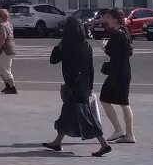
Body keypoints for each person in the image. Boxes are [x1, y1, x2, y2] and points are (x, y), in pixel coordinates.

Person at [43, 17, 112, 157]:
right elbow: (90, 68)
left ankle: (104, 144)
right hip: (83, 84)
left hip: (74, 86)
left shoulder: (67, 45)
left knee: (85, 116)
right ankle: (57, 142)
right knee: (67, 114)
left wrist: (58, 45)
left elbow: (53, 60)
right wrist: (90, 86)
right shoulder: (86, 44)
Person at [98, 9, 135, 144]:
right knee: (124, 103)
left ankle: (119, 130)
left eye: (108, 17)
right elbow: (128, 52)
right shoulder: (125, 32)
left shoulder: (116, 34)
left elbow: (113, 53)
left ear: (114, 19)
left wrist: (104, 47)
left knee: (104, 99)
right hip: (125, 72)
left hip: (117, 73)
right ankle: (129, 134)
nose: (106, 19)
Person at [0, 8, 17, 94]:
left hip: (5, 50)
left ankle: (13, 88)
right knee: (1, 70)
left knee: (5, 70)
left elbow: (3, 39)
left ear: (0, 17)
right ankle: (8, 86)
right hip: (9, 49)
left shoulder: (2, 26)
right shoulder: (8, 24)